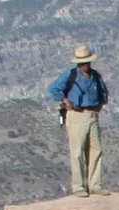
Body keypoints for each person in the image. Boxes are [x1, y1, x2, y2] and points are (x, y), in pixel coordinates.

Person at [47, 45, 109, 195]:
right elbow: (53, 88)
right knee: (77, 152)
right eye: (82, 62)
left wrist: (101, 104)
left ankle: (95, 185)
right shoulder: (70, 75)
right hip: (76, 114)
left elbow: (103, 92)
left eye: (86, 62)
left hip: (92, 114)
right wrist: (64, 100)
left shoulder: (95, 76)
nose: (85, 65)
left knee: (96, 150)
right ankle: (79, 187)